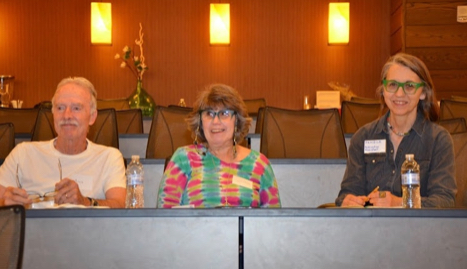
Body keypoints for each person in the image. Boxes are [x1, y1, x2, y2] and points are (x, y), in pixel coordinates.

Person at [336, 53, 456, 208]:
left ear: (423, 93)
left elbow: (445, 201)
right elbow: (348, 192)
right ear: (383, 90)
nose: (399, 94)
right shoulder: (363, 137)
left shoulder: (439, 140)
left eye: (409, 86)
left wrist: (398, 203)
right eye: (392, 85)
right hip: (371, 229)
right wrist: (347, 201)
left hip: (420, 230)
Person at [0, 77, 126, 208]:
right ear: (53, 114)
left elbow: (120, 205)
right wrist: (4, 203)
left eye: (76, 108)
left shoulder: (109, 157)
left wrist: (85, 202)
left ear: (92, 117)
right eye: (60, 108)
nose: (67, 116)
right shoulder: (23, 153)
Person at [157, 83, 281, 208]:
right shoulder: (183, 159)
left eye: (224, 114)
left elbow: (273, 221)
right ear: (200, 121)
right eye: (209, 114)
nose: (216, 121)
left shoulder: (259, 164)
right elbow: (164, 219)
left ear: (236, 120)